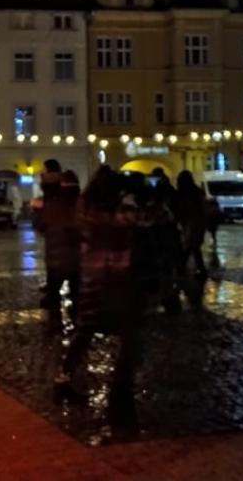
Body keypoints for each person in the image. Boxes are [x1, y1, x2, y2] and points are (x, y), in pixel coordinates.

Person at [55, 167, 141, 429]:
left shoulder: (86, 206)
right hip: (115, 277)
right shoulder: (115, 211)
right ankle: (120, 391)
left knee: (85, 331)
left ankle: (63, 379)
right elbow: (135, 225)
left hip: (92, 276)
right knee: (130, 336)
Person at [34, 170, 81, 327]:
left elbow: (40, 225)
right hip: (77, 258)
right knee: (76, 293)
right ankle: (77, 322)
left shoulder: (52, 207)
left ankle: (55, 322)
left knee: (53, 293)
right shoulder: (81, 205)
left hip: (55, 259)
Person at [174, 171, 208, 284]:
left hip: (191, 222)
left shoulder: (185, 193)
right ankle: (199, 270)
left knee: (190, 246)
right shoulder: (197, 192)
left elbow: (184, 209)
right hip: (197, 222)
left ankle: (183, 268)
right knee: (193, 247)